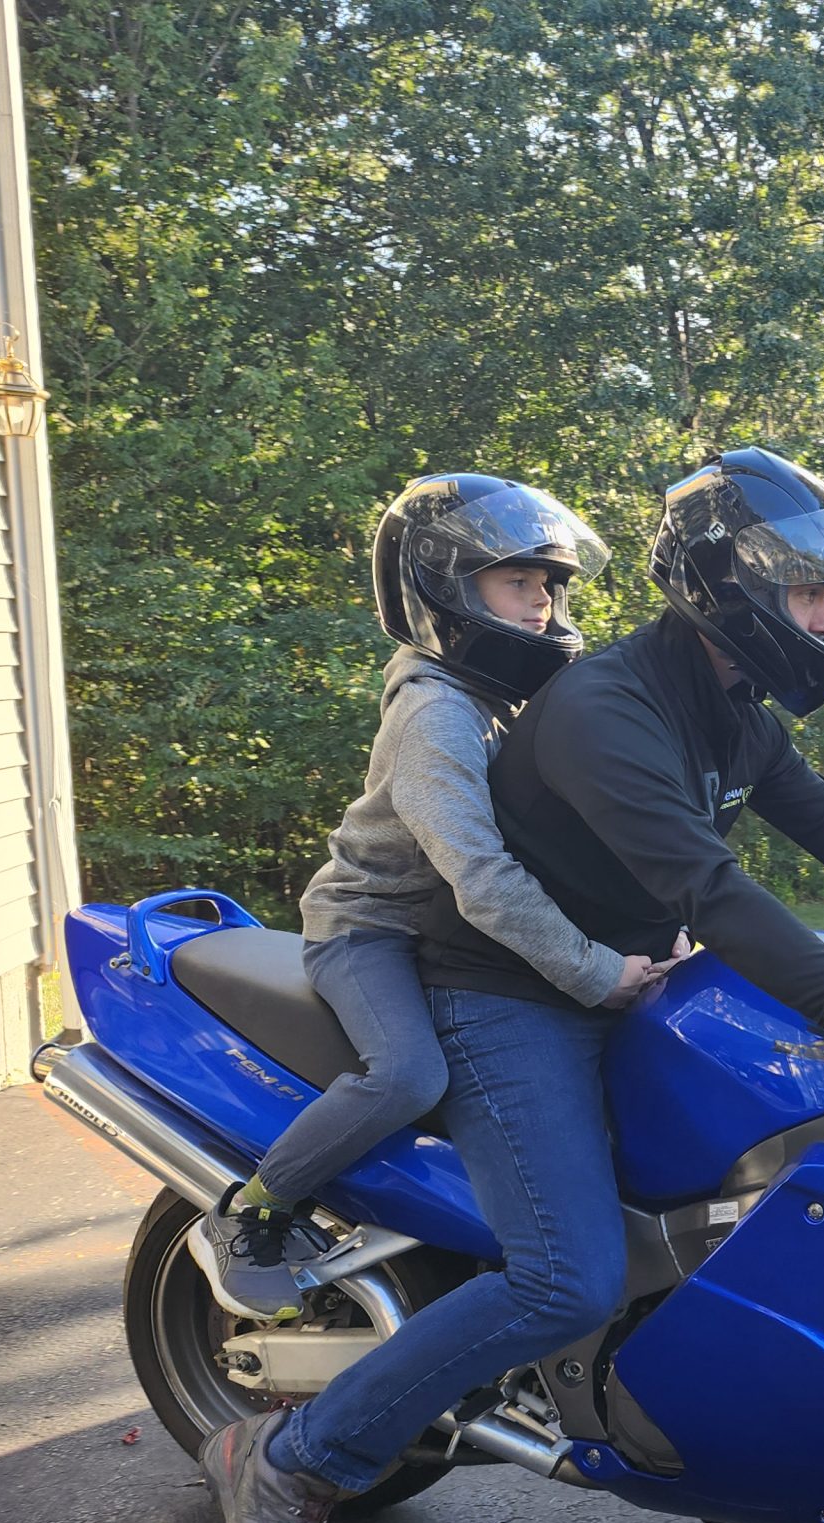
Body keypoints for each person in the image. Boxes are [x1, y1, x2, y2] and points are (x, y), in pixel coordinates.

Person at [202, 450, 824, 1523]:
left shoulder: (727, 710)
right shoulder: (607, 711)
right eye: (811, 594)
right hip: (507, 996)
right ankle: (295, 1460)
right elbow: (716, 892)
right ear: (736, 588)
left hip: (626, 984)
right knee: (568, 1277)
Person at [187, 475, 671, 1325]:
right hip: (372, 928)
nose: (543, 603)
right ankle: (252, 1209)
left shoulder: (504, 698)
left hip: (447, 938)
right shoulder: (437, 713)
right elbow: (480, 875)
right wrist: (595, 971)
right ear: (446, 591)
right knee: (411, 1074)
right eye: (518, 582)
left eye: (549, 584)